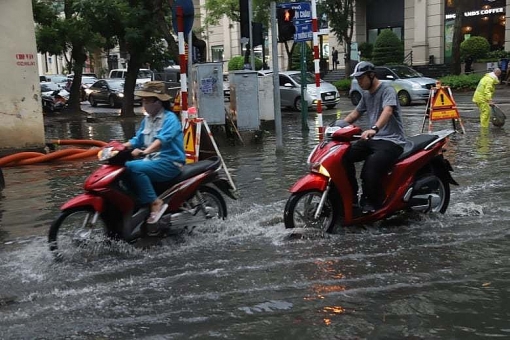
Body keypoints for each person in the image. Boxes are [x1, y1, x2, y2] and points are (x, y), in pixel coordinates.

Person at [336, 61, 407, 214]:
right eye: (357, 79)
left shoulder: (387, 90)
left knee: (371, 165)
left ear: (371, 75)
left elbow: (387, 111)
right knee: (343, 156)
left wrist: (374, 128)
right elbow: (355, 113)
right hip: (373, 140)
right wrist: (336, 126)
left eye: (361, 78)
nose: (359, 82)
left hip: (392, 141)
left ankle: (374, 203)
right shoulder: (366, 94)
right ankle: (351, 197)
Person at [123, 81, 185, 225]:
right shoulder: (147, 120)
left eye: (147, 100)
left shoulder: (170, 119)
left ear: (157, 102)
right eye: (143, 100)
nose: (144, 103)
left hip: (170, 163)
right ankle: (139, 205)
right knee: (122, 169)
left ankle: (155, 202)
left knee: (133, 167)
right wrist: (117, 148)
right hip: (152, 161)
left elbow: (161, 141)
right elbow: (137, 140)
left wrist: (145, 152)